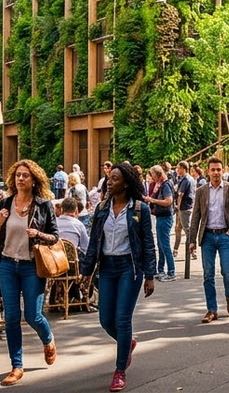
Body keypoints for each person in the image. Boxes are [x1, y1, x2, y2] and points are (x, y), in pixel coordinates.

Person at [80, 161, 156, 392]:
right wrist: (86, 271)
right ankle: (128, 343)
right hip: (107, 268)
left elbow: (148, 245)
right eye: (109, 179)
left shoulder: (139, 210)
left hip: (129, 268)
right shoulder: (102, 208)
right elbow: (94, 242)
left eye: (114, 179)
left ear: (126, 183)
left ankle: (120, 370)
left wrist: (150, 275)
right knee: (105, 320)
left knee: (122, 319)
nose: (109, 182)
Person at [0, 159, 59, 386]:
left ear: (34, 180)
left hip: (32, 266)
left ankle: (48, 339)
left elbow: (55, 237)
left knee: (33, 315)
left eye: (25, 176)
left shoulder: (43, 205)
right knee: (11, 317)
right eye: (18, 175)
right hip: (8, 265)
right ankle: (16, 366)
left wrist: (38, 234)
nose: (21, 178)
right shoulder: (5, 203)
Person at [187, 156, 229, 323]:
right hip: (208, 237)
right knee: (208, 274)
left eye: (219, 169)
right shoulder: (201, 191)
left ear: (223, 170)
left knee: (227, 271)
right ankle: (212, 309)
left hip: (225, 236)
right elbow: (195, 216)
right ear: (208, 171)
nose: (216, 172)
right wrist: (192, 240)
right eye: (213, 169)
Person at [143, 166, 176, 281]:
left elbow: (168, 201)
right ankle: (160, 270)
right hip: (161, 217)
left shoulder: (165, 185)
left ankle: (171, 272)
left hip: (165, 217)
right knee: (161, 245)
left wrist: (152, 200)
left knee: (165, 245)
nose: (151, 177)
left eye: (152, 174)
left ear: (158, 175)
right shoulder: (162, 184)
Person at [173, 161, 196, 260]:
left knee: (187, 229)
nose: (177, 170)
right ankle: (176, 249)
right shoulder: (190, 179)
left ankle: (192, 249)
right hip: (189, 206)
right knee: (179, 228)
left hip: (184, 207)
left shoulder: (185, 179)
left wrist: (178, 205)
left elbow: (180, 194)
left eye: (179, 168)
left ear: (183, 169)